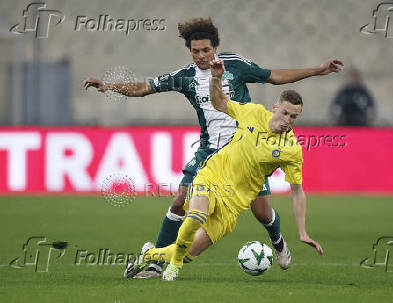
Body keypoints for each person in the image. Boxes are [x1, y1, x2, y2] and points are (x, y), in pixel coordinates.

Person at [84, 17, 342, 278]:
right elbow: (145, 87)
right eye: (195, 51)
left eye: (206, 50)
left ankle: (278, 243)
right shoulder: (184, 77)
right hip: (209, 151)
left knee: (262, 211)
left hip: (247, 150)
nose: (201, 56)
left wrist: (318, 70)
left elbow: (274, 76)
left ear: (215, 48)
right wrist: (110, 87)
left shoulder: (235, 66)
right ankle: (154, 264)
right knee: (179, 202)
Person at [124, 58, 323, 281]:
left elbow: (297, 191)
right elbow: (219, 103)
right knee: (195, 216)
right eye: (284, 113)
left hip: (234, 203)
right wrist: (216, 79)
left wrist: (303, 232)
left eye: (293, 117)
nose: (287, 120)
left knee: (189, 253)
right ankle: (173, 266)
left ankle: (149, 255)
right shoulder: (253, 113)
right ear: (275, 108)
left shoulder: (292, 150)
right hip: (213, 176)